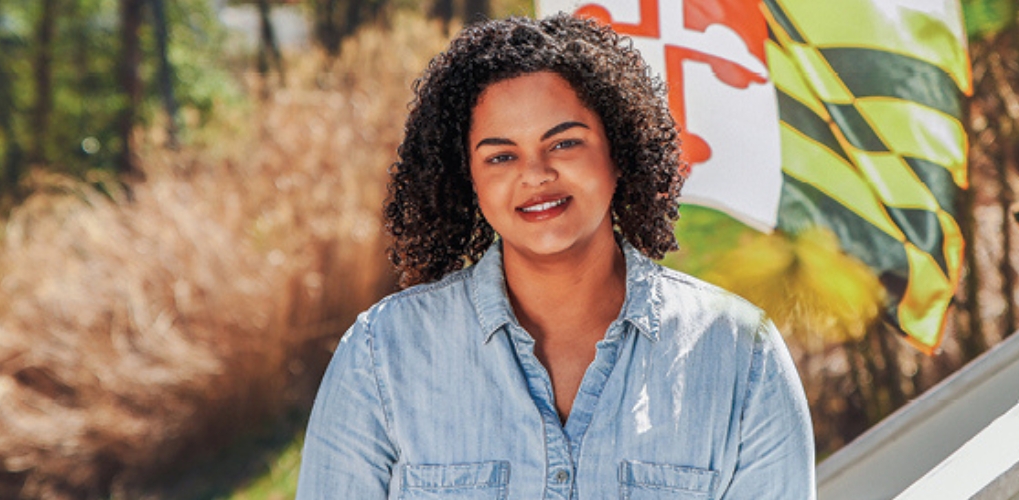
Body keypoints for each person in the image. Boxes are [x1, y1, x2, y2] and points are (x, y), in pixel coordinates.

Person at [296, 14, 814, 499]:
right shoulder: (383, 354)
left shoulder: (742, 356)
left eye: (564, 143)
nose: (535, 174)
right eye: (501, 155)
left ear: (620, 152)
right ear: (468, 179)